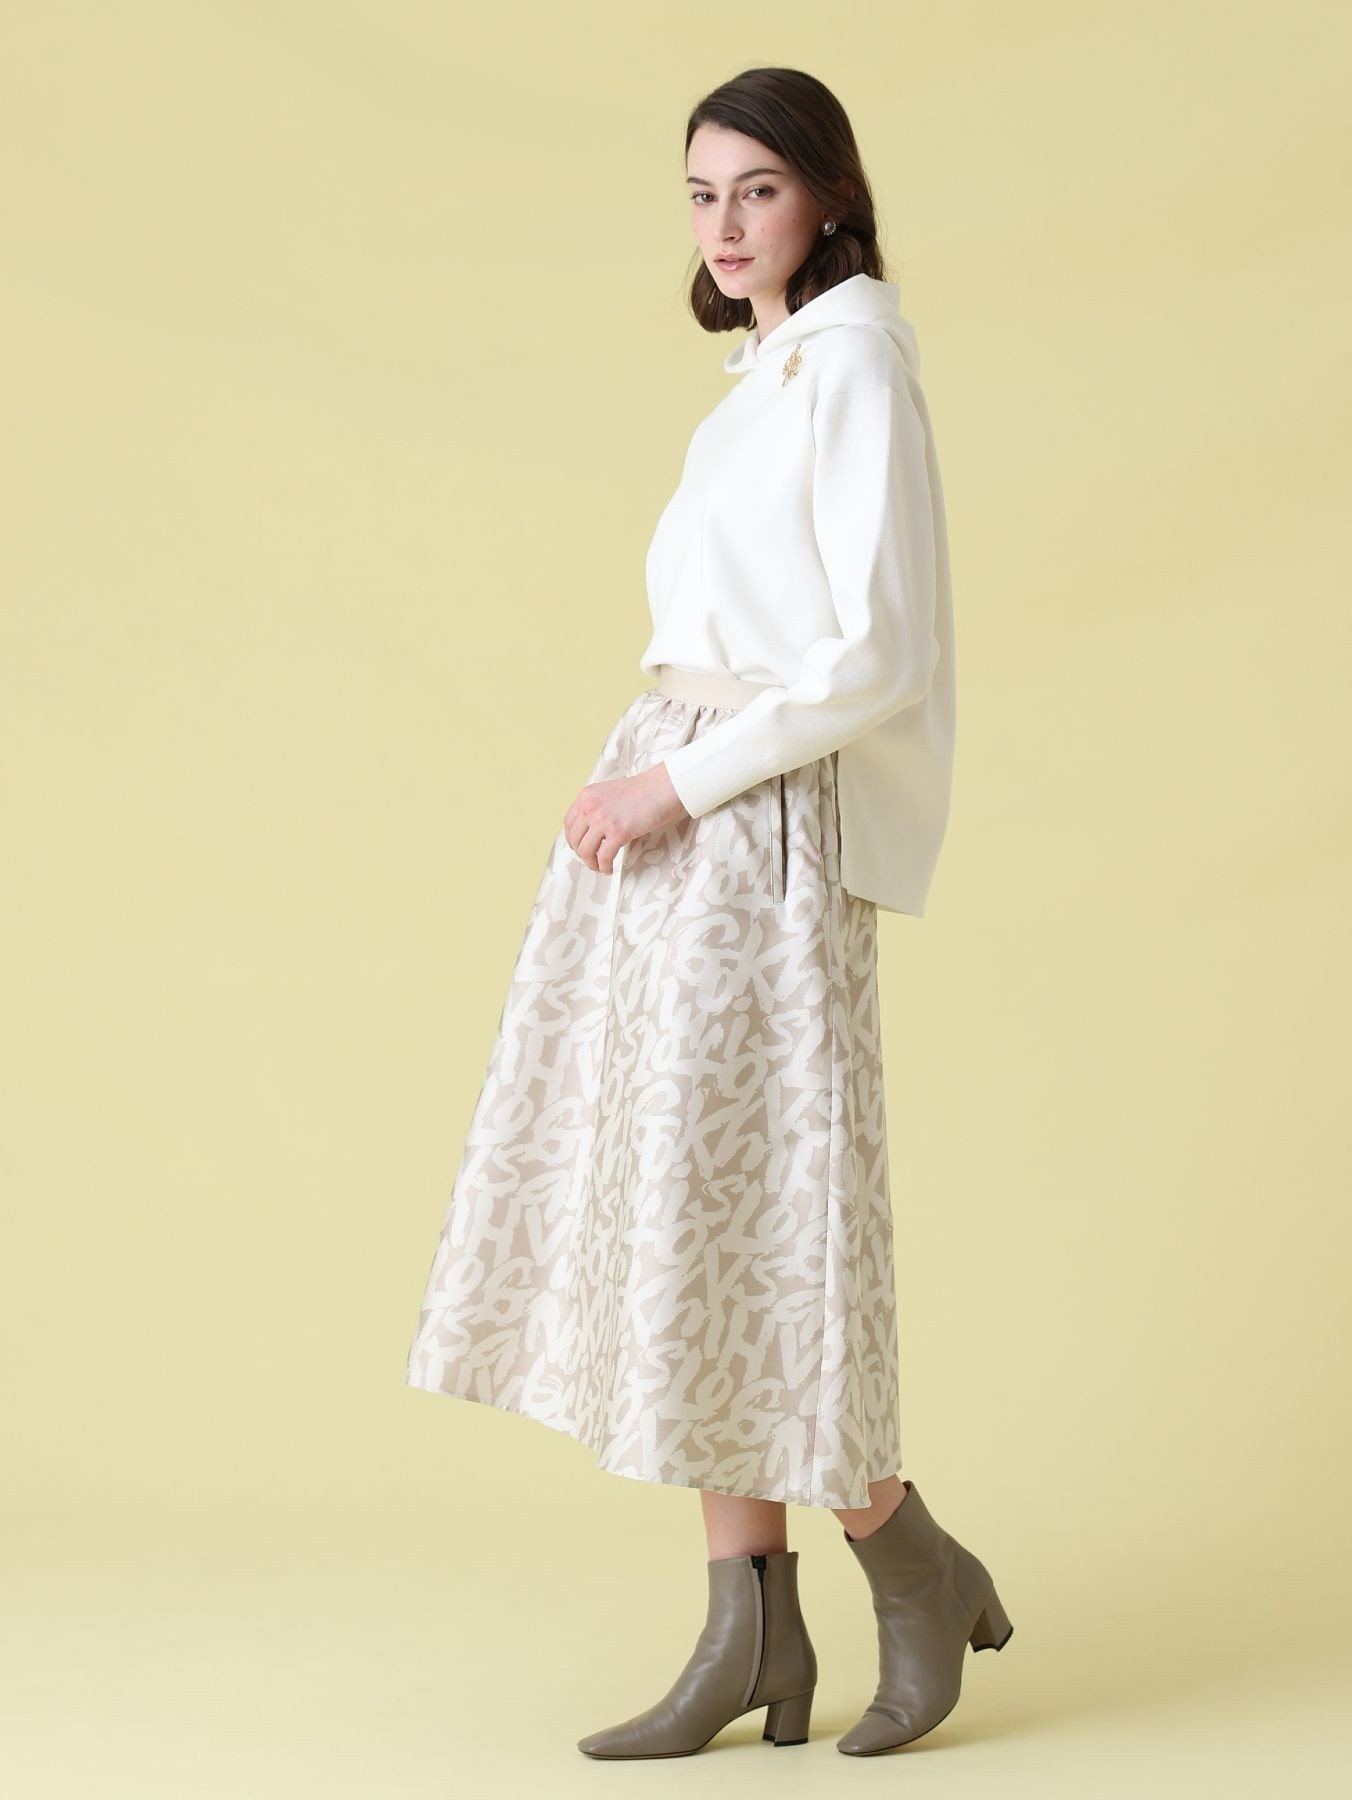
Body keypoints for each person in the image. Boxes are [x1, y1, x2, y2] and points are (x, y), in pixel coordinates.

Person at [404, 65, 1014, 1757]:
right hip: (688, 818)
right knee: (690, 1221)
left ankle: (910, 1560)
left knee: (771, 1217)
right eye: (701, 194)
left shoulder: (857, 361)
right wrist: (653, 783)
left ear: (827, 196)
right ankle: (749, 1629)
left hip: (754, 828)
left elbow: (878, 655)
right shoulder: (767, 374)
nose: (726, 225)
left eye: (758, 189)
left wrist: (672, 785)